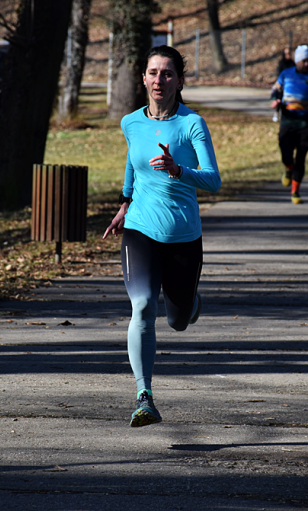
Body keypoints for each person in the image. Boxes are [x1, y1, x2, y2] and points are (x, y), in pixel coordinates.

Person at [103, 45, 222, 427]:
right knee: (141, 307)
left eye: (167, 73)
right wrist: (124, 203)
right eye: (153, 73)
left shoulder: (192, 124)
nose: (159, 80)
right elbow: (132, 162)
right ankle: (144, 395)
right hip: (140, 228)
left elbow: (214, 180)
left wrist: (179, 170)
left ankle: (188, 305)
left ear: (180, 81)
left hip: (184, 235)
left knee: (178, 320)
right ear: (143, 78)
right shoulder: (130, 123)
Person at [269, 45, 308, 204]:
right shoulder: (286, 74)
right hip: (288, 120)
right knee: (286, 154)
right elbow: (275, 90)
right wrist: (274, 100)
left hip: (305, 123)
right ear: (297, 61)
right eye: (305, 61)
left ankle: (295, 191)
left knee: (301, 157)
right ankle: (288, 168)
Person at [273, 48, 295, 122]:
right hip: (282, 84)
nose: (287, 55)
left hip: (290, 85)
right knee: (279, 99)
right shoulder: (281, 63)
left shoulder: (292, 63)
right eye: (286, 54)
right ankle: (277, 112)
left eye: (289, 53)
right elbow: (279, 73)